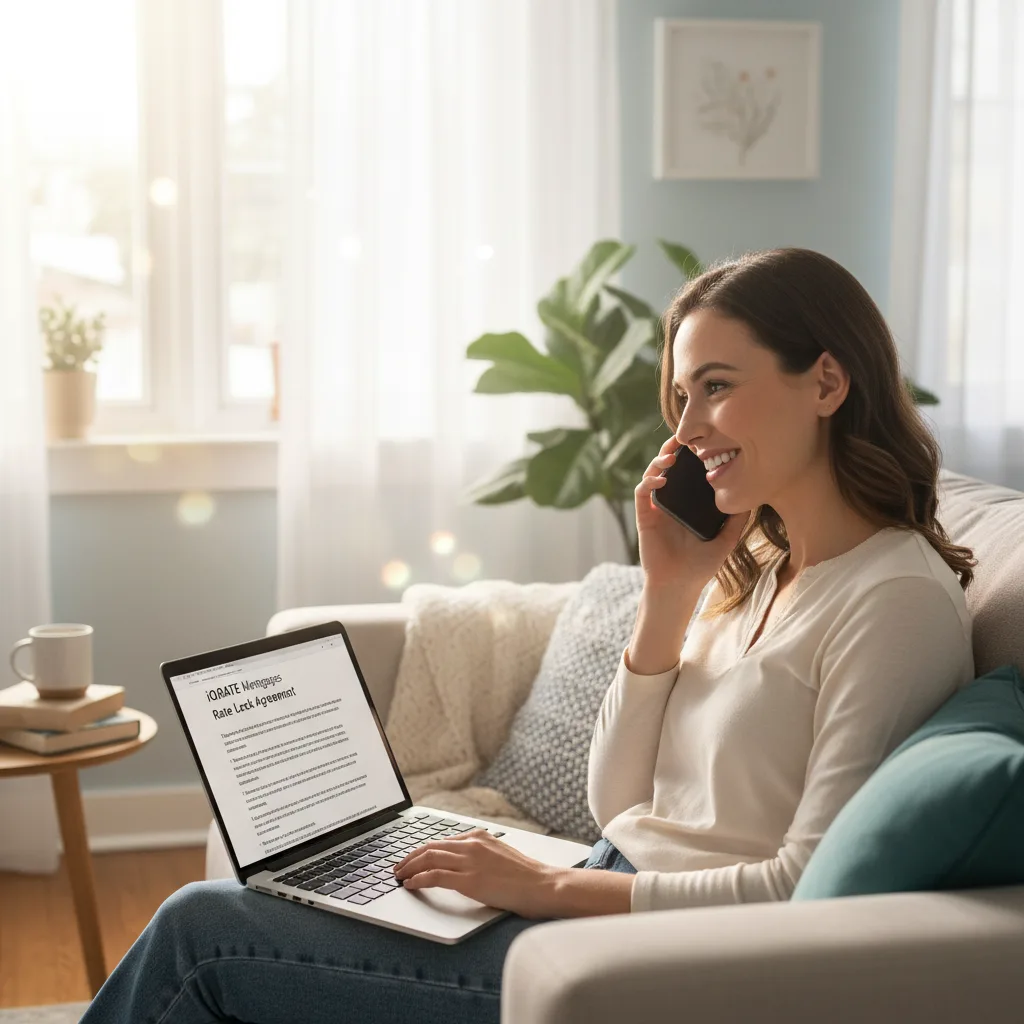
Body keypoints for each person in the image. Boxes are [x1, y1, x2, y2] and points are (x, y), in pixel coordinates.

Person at [81, 248, 977, 1022]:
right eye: (680, 396)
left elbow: (804, 891)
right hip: (599, 892)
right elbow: (617, 808)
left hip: (658, 959)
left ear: (825, 380)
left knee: (201, 933)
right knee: (270, 893)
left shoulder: (894, 602)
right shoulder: (756, 566)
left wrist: (546, 889)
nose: (687, 426)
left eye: (716, 387)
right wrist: (668, 599)